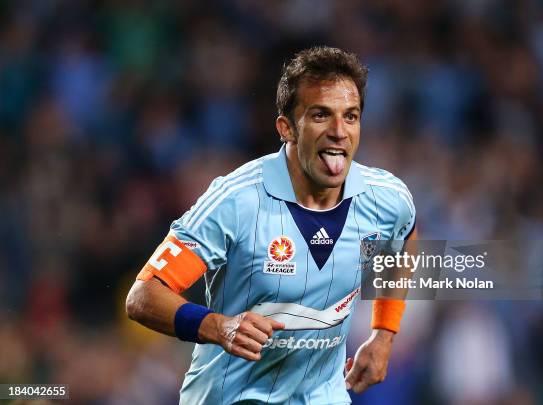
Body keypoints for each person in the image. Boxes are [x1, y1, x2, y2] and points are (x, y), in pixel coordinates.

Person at [126, 46, 417, 404]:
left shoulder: (386, 200)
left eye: (351, 116)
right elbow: (143, 296)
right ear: (287, 128)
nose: (339, 131)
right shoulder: (236, 202)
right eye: (321, 115)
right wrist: (218, 326)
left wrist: (384, 333)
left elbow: (405, 239)